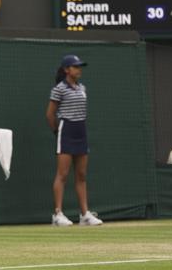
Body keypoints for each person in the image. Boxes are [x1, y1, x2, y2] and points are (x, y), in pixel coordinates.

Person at [46, 54, 103, 227]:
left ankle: (85, 214)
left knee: (81, 175)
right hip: (66, 130)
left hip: (81, 131)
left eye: (80, 66)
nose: (79, 69)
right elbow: (50, 114)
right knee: (62, 174)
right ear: (66, 70)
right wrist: (58, 131)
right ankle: (58, 214)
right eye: (75, 66)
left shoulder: (82, 88)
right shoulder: (59, 89)